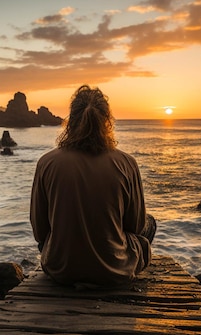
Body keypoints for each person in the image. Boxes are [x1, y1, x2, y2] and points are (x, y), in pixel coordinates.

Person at [30, 85, 156, 287]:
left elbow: (40, 230)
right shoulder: (127, 163)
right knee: (150, 223)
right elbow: (136, 226)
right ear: (107, 121)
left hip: (60, 269)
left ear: (70, 121)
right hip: (115, 271)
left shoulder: (46, 163)